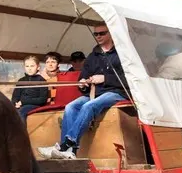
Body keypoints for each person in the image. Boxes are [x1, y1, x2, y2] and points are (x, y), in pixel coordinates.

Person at [39, 23, 129, 160]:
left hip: (117, 92)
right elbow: (83, 76)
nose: (98, 36)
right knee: (70, 106)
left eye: (102, 33)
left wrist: (105, 78)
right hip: (94, 92)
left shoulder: (123, 53)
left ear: (110, 33)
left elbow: (129, 79)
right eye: (96, 34)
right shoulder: (93, 56)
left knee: (89, 106)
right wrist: (82, 84)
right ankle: (69, 152)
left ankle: (66, 145)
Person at [13, 55, 50, 122]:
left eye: (32, 66)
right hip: (20, 105)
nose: (29, 68)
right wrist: (15, 103)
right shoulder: (21, 80)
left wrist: (23, 102)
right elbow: (15, 96)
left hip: (35, 105)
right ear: (24, 67)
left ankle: (21, 132)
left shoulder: (41, 81)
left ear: (38, 67)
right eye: (27, 66)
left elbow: (42, 100)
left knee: (20, 112)